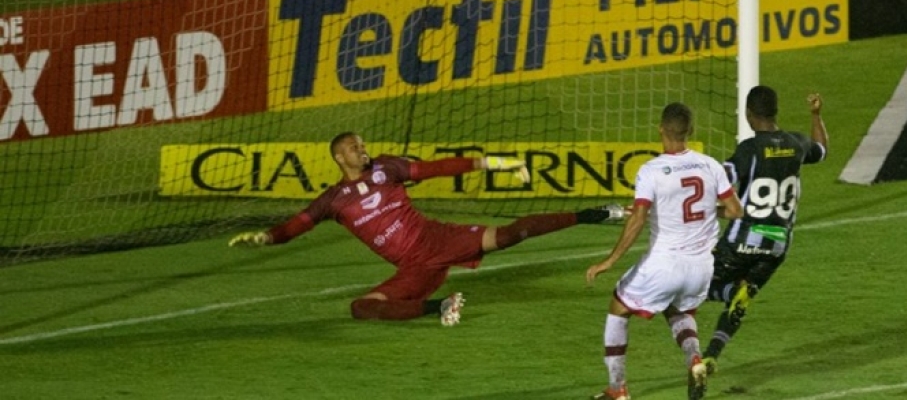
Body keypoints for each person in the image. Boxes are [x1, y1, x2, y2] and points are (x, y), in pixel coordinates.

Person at [228, 131, 625, 326]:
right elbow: (297, 226)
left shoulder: (387, 168)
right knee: (361, 308)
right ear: (337, 156)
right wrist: (266, 237)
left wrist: (489, 164)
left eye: (362, 144)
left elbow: (435, 168)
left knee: (511, 234)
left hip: (437, 238)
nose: (361, 149)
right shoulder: (333, 200)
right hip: (414, 268)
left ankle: (596, 214)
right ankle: (440, 306)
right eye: (353, 147)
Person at [586, 102, 743, 400]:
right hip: (701, 269)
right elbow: (735, 210)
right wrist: (711, 211)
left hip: (665, 264)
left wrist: (610, 260)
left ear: (661, 129)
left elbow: (638, 218)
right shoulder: (711, 165)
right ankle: (695, 360)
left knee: (618, 307)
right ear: (690, 132)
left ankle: (617, 389)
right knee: (678, 310)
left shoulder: (651, 170)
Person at [701, 86, 828, 374]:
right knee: (741, 301)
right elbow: (822, 152)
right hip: (778, 245)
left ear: (748, 114)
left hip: (742, 241)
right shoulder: (796, 142)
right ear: (775, 111)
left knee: (693, 290)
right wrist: (816, 116)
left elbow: (723, 180)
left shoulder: (750, 149)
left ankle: (732, 293)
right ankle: (711, 355)